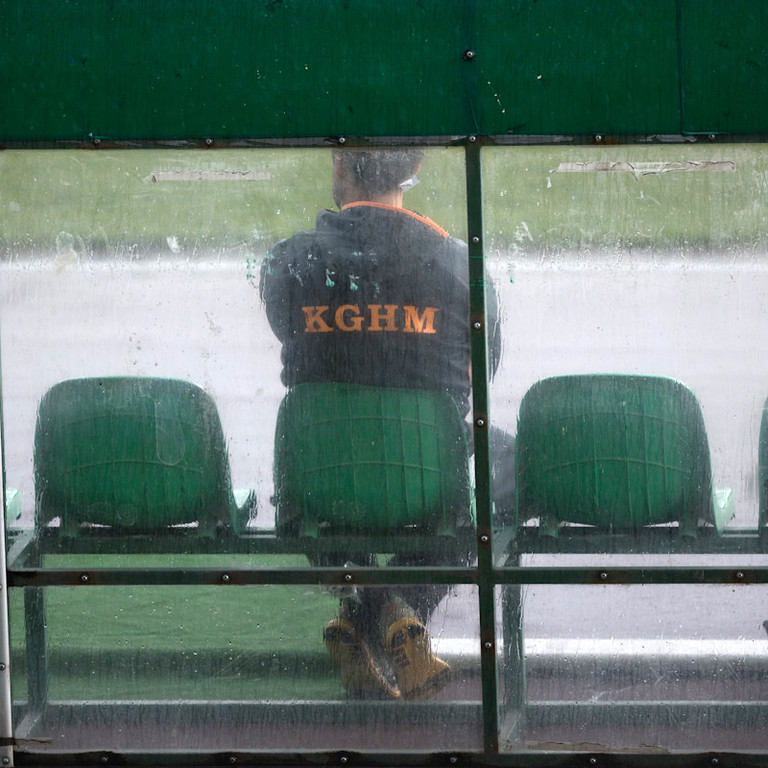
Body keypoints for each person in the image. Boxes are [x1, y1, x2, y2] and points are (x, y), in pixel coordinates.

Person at [260, 148, 511, 700]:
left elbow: (291, 339)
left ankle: (360, 602)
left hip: (325, 483)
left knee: (311, 470)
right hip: (422, 479)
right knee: (497, 470)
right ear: (410, 172)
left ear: (340, 167)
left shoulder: (287, 262)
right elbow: (478, 372)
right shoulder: (459, 268)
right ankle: (402, 605)